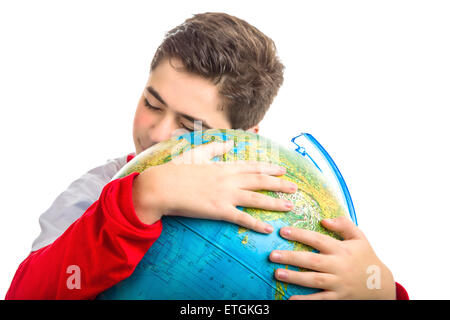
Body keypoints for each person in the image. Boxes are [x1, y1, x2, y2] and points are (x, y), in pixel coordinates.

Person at [5, 12, 408, 300]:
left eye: (190, 126)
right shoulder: (97, 191)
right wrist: (137, 200)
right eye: (152, 102)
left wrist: (380, 289)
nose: (157, 133)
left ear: (245, 140)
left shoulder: (288, 200)